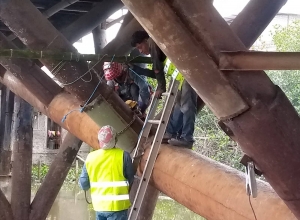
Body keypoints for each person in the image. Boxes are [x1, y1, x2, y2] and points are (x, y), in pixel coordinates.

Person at [131, 30, 197, 148]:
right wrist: (139, 70)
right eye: (138, 49)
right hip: (179, 77)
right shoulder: (155, 46)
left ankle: (187, 138)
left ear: (146, 40)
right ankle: (171, 133)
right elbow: (156, 72)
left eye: (140, 47)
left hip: (186, 75)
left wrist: (161, 87)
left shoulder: (153, 44)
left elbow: (157, 68)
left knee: (187, 107)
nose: (141, 51)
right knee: (178, 107)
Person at [79, 125, 134, 220]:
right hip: (118, 207)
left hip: (99, 207)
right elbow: (130, 179)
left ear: (99, 140)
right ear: (115, 140)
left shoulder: (90, 157)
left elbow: (83, 184)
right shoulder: (123, 156)